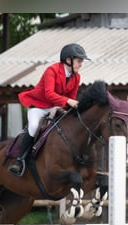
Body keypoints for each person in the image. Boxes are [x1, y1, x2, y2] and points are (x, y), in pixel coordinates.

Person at [8, 43, 90, 177]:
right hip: (39, 106)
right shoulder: (51, 71)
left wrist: (68, 105)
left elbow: (71, 97)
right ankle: (20, 160)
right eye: (79, 61)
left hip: (56, 107)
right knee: (34, 126)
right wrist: (68, 101)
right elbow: (49, 94)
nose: (81, 64)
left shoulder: (76, 77)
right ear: (68, 60)